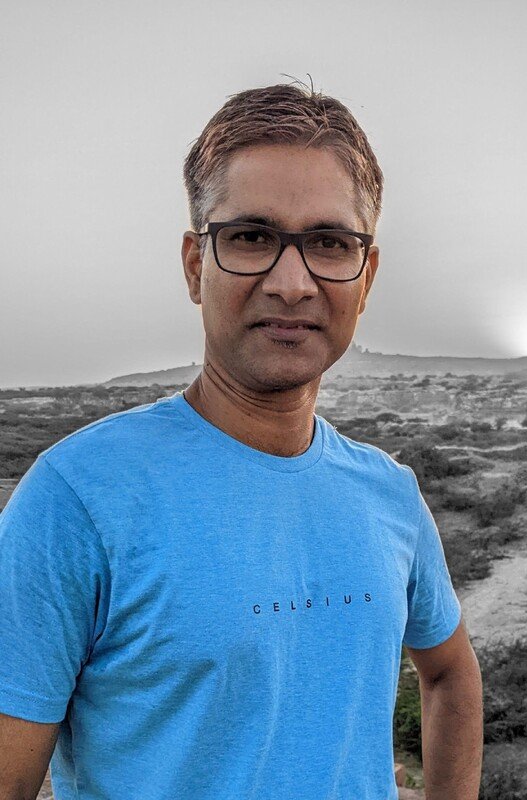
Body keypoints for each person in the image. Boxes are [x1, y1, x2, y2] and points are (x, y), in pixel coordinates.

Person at [0, 81, 483, 800]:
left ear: (366, 274)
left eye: (328, 242)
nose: (292, 283)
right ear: (196, 264)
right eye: (252, 237)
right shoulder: (78, 497)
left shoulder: (387, 491)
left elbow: (448, 671)